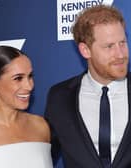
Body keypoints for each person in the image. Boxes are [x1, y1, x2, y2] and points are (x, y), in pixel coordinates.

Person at [45, 5, 131, 168]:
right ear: (85, 50)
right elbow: (45, 155)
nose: (120, 54)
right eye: (109, 46)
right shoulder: (60, 97)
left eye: (122, 43)